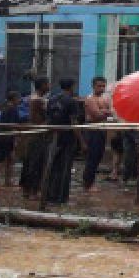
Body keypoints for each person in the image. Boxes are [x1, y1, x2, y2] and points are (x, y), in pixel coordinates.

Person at [43, 78, 80, 206]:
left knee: (52, 166)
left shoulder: (52, 99)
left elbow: (48, 119)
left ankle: (48, 195)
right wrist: (82, 141)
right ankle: (61, 198)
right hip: (66, 139)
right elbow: (73, 123)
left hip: (53, 137)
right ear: (71, 87)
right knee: (64, 168)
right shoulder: (71, 101)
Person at [19, 77, 51, 199]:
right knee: (36, 162)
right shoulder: (38, 100)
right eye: (47, 84)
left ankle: (27, 189)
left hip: (35, 133)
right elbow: (44, 116)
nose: (49, 86)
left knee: (31, 162)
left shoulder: (35, 98)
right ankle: (32, 191)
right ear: (42, 85)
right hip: (38, 134)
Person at [80, 76, 113, 192]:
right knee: (92, 158)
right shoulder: (90, 99)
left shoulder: (103, 99)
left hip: (101, 130)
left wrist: (104, 111)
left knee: (98, 157)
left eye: (103, 86)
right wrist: (105, 112)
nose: (102, 88)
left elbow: (109, 112)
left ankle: (90, 181)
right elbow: (97, 115)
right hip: (92, 130)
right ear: (93, 86)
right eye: (99, 86)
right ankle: (87, 184)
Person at [0, 90, 22, 188]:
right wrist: (15, 137)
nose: (19, 100)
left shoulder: (7, 107)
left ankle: (8, 181)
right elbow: (11, 125)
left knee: (10, 159)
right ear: (14, 99)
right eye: (18, 98)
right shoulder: (12, 109)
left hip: (5, 137)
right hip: (6, 138)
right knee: (0, 161)